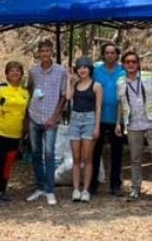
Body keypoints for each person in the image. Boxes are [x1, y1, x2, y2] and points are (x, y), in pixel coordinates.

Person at [116, 50, 152, 202]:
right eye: (128, 62)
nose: (131, 65)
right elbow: (120, 103)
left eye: (134, 62)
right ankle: (135, 189)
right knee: (135, 158)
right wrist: (118, 123)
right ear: (124, 65)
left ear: (138, 63)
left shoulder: (149, 77)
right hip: (133, 124)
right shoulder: (120, 82)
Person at [25, 40, 66, 206]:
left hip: (51, 118)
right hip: (35, 115)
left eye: (48, 51)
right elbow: (29, 90)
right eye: (42, 51)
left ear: (52, 53)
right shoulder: (34, 71)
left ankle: (50, 190)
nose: (45, 54)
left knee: (49, 154)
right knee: (36, 153)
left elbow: (63, 96)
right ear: (38, 53)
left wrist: (55, 117)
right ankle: (40, 187)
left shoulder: (60, 71)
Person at [0, 61, 28, 204]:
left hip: (16, 134)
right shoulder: (0, 89)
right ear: (6, 74)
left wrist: (25, 131)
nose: (14, 73)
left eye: (17, 71)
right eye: (11, 71)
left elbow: (25, 113)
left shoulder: (25, 93)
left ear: (22, 75)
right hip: (0, 132)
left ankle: (3, 191)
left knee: (9, 163)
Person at [90, 42, 125, 197]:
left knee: (117, 152)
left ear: (117, 55)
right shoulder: (96, 71)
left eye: (113, 53)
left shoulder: (122, 71)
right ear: (103, 54)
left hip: (117, 118)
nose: (110, 55)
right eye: (107, 52)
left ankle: (115, 185)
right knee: (95, 152)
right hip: (98, 118)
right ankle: (92, 184)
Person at [66, 56, 102, 203]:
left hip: (89, 119)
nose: (82, 70)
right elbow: (68, 97)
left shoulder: (96, 86)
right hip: (75, 119)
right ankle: (76, 189)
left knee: (87, 158)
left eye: (85, 67)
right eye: (80, 68)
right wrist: (69, 80)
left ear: (90, 69)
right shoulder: (75, 84)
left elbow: (98, 108)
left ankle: (86, 190)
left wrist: (97, 127)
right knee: (76, 158)